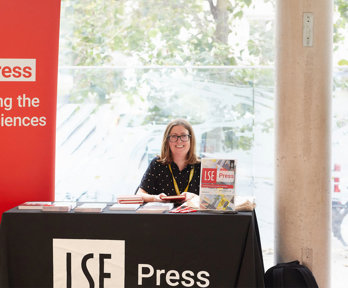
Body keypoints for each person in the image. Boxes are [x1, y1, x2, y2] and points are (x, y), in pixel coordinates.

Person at [137, 119, 201, 202]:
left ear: (191, 139)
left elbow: (214, 198)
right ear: (167, 140)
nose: (179, 140)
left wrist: (194, 196)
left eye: (184, 136)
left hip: (193, 214)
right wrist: (155, 198)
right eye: (174, 136)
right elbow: (139, 194)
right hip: (164, 214)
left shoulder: (202, 165)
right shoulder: (157, 164)